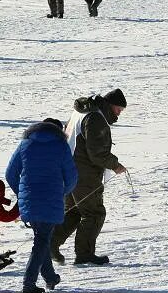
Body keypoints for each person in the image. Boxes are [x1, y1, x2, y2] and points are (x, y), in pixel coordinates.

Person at [52, 89, 127, 266]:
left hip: (68, 170)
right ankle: (84, 254)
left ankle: (49, 244)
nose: (119, 114)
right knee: (94, 213)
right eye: (118, 109)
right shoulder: (95, 118)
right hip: (83, 174)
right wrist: (115, 165)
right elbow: (97, 153)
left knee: (74, 212)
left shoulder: (82, 112)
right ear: (109, 105)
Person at [5, 117, 77, 293]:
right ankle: (28, 283)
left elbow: (10, 174)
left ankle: (50, 277)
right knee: (42, 240)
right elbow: (72, 177)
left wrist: (22, 194)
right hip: (51, 199)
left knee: (41, 238)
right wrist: (62, 192)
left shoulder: (25, 144)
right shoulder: (61, 146)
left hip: (30, 201)